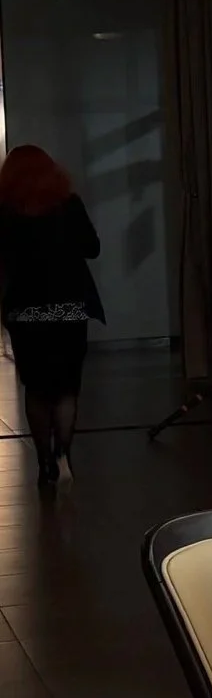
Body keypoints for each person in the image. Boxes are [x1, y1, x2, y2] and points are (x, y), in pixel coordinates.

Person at [0, 145, 102, 490]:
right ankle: (63, 452)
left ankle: (44, 464)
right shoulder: (68, 204)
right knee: (67, 387)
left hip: (25, 311)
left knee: (37, 389)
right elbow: (92, 248)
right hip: (68, 308)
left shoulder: (6, 211)